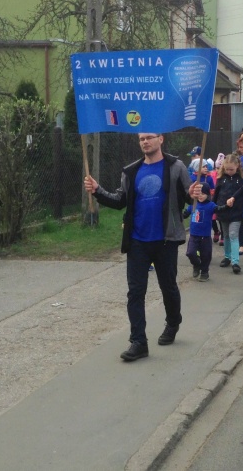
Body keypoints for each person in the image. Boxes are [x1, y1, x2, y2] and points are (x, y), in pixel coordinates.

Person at [83, 132, 198, 362]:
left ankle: (173, 322)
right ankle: (138, 342)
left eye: (149, 137)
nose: (145, 142)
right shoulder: (131, 171)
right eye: (141, 139)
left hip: (165, 239)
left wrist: (196, 193)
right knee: (135, 293)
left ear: (160, 139)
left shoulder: (176, 167)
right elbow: (120, 200)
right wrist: (97, 190)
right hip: (137, 241)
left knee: (168, 287)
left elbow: (189, 197)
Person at [214, 153, 243, 274]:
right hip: (223, 212)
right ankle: (227, 256)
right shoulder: (221, 180)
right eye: (227, 169)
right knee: (226, 235)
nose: (229, 171)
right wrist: (214, 208)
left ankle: (235, 261)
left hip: (236, 212)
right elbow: (216, 196)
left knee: (233, 235)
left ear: (237, 166)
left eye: (231, 169)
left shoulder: (242, 180)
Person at [183, 183, 217, 282]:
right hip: (194, 235)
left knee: (206, 255)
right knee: (190, 252)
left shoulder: (210, 205)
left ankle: (204, 272)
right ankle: (197, 265)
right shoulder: (193, 204)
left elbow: (219, 209)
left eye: (203, 193)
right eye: (198, 193)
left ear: (208, 194)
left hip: (205, 236)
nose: (200, 195)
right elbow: (185, 214)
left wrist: (228, 205)